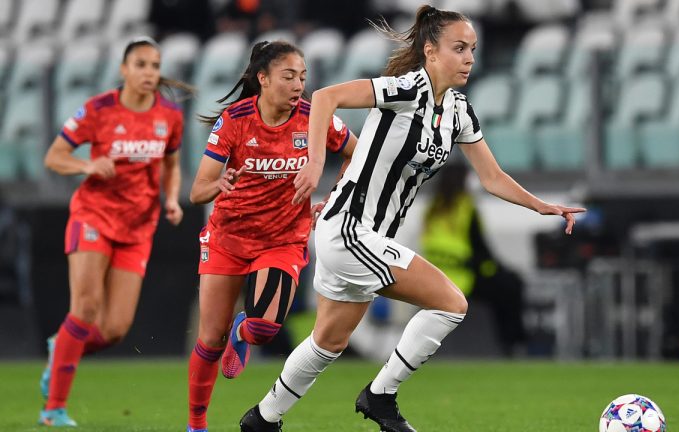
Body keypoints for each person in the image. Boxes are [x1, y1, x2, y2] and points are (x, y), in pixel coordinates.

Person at [239, 5, 585, 432]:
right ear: (430, 51)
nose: (468, 59)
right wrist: (314, 165)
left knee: (328, 341)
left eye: (472, 49)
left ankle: (262, 418)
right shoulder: (405, 89)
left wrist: (542, 206)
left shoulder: (458, 111)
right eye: (458, 48)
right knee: (451, 303)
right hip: (349, 230)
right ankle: (381, 395)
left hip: (361, 237)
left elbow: (492, 177)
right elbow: (326, 98)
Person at [186, 40, 357, 432]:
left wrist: (333, 195)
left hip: (282, 239)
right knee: (209, 341)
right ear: (262, 79)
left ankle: (242, 330)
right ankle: (196, 425)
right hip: (228, 237)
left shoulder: (315, 118)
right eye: (289, 76)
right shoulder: (235, 120)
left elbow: (355, 152)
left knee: (264, 329)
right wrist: (220, 182)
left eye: (303, 76)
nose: (299, 85)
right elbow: (198, 190)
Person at [39, 36, 188, 427]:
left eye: (155, 66)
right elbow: (55, 156)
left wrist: (171, 199)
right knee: (85, 308)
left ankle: (62, 350)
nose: (149, 73)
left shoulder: (170, 115)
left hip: (138, 226)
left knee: (116, 329)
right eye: (141, 64)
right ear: (124, 70)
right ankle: (54, 409)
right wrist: (86, 166)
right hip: (93, 217)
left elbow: (171, 165)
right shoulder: (98, 110)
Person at [421, 162, 526, 356]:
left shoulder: (432, 210)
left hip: (435, 279)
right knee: (511, 286)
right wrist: (497, 269)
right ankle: (512, 344)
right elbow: (481, 251)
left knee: (503, 284)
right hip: (463, 279)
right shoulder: (465, 208)